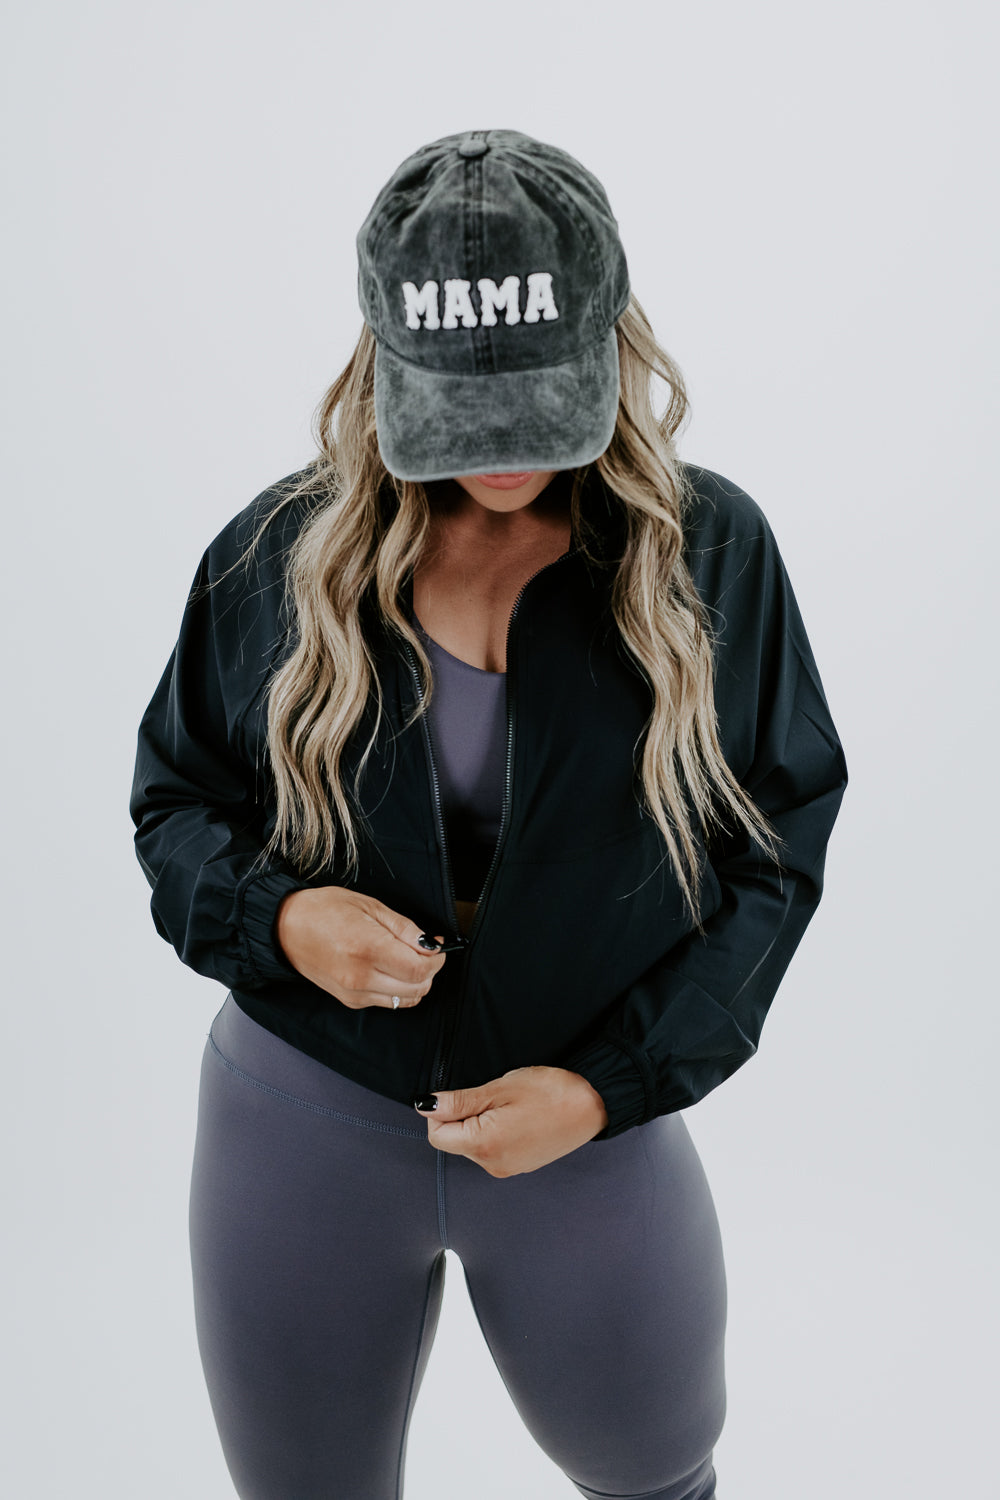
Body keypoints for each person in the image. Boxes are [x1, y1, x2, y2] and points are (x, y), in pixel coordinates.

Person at [130, 128, 847, 1500]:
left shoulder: (711, 554)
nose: (505, 456)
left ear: (610, 338)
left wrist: (610, 1087)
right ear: (385, 362)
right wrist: (282, 920)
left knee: (660, 1474)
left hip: (585, 1128)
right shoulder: (274, 555)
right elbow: (174, 801)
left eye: (539, 401)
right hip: (303, 1111)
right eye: (465, 409)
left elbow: (777, 849)